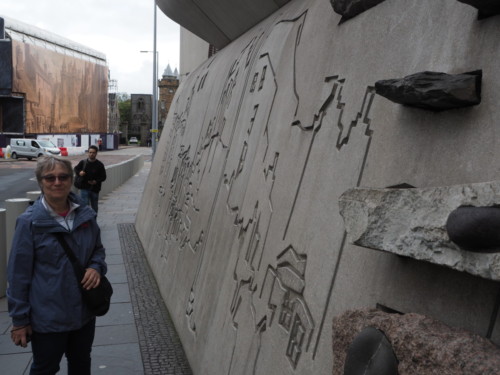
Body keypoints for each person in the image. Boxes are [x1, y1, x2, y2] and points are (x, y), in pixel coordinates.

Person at [7, 156, 107, 374]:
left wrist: (95, 268)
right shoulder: (29, 222)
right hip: (48, 318)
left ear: (71, 180)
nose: (57, 182)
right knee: (45, 368)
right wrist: (20, 321)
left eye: (63, 177)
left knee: (81, 364)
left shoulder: (86, 215)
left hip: (83, 313)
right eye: (50, 178)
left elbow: (97, 251)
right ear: (40, 182)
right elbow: (17, 275)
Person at [74, 145, 106, 214]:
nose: (91, 154)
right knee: (85, 207)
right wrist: (80, 172)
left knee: (94, 208)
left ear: (96, 153)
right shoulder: (83, 162)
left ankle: (93, 222)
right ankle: (87, 223)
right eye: (90, 152)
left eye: (93, 152)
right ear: (88, 153)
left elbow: (103, 177)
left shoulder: (100, 164)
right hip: (84, 188)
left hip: (95, 189)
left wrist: (96, 181)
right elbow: (76, 169)